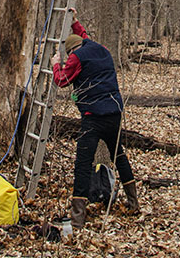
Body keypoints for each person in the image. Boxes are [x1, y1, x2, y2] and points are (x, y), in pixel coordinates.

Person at [51, 13, 139, 229]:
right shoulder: (100, 49)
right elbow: (84, 36)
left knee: (82, 163)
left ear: (72, 51)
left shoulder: (76, 58)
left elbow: (61, 80)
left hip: (93, 117)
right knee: (118, 155)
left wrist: (55, 64)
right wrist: (74, 23)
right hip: (114, 113)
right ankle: (134, 202)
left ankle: (78, 219)